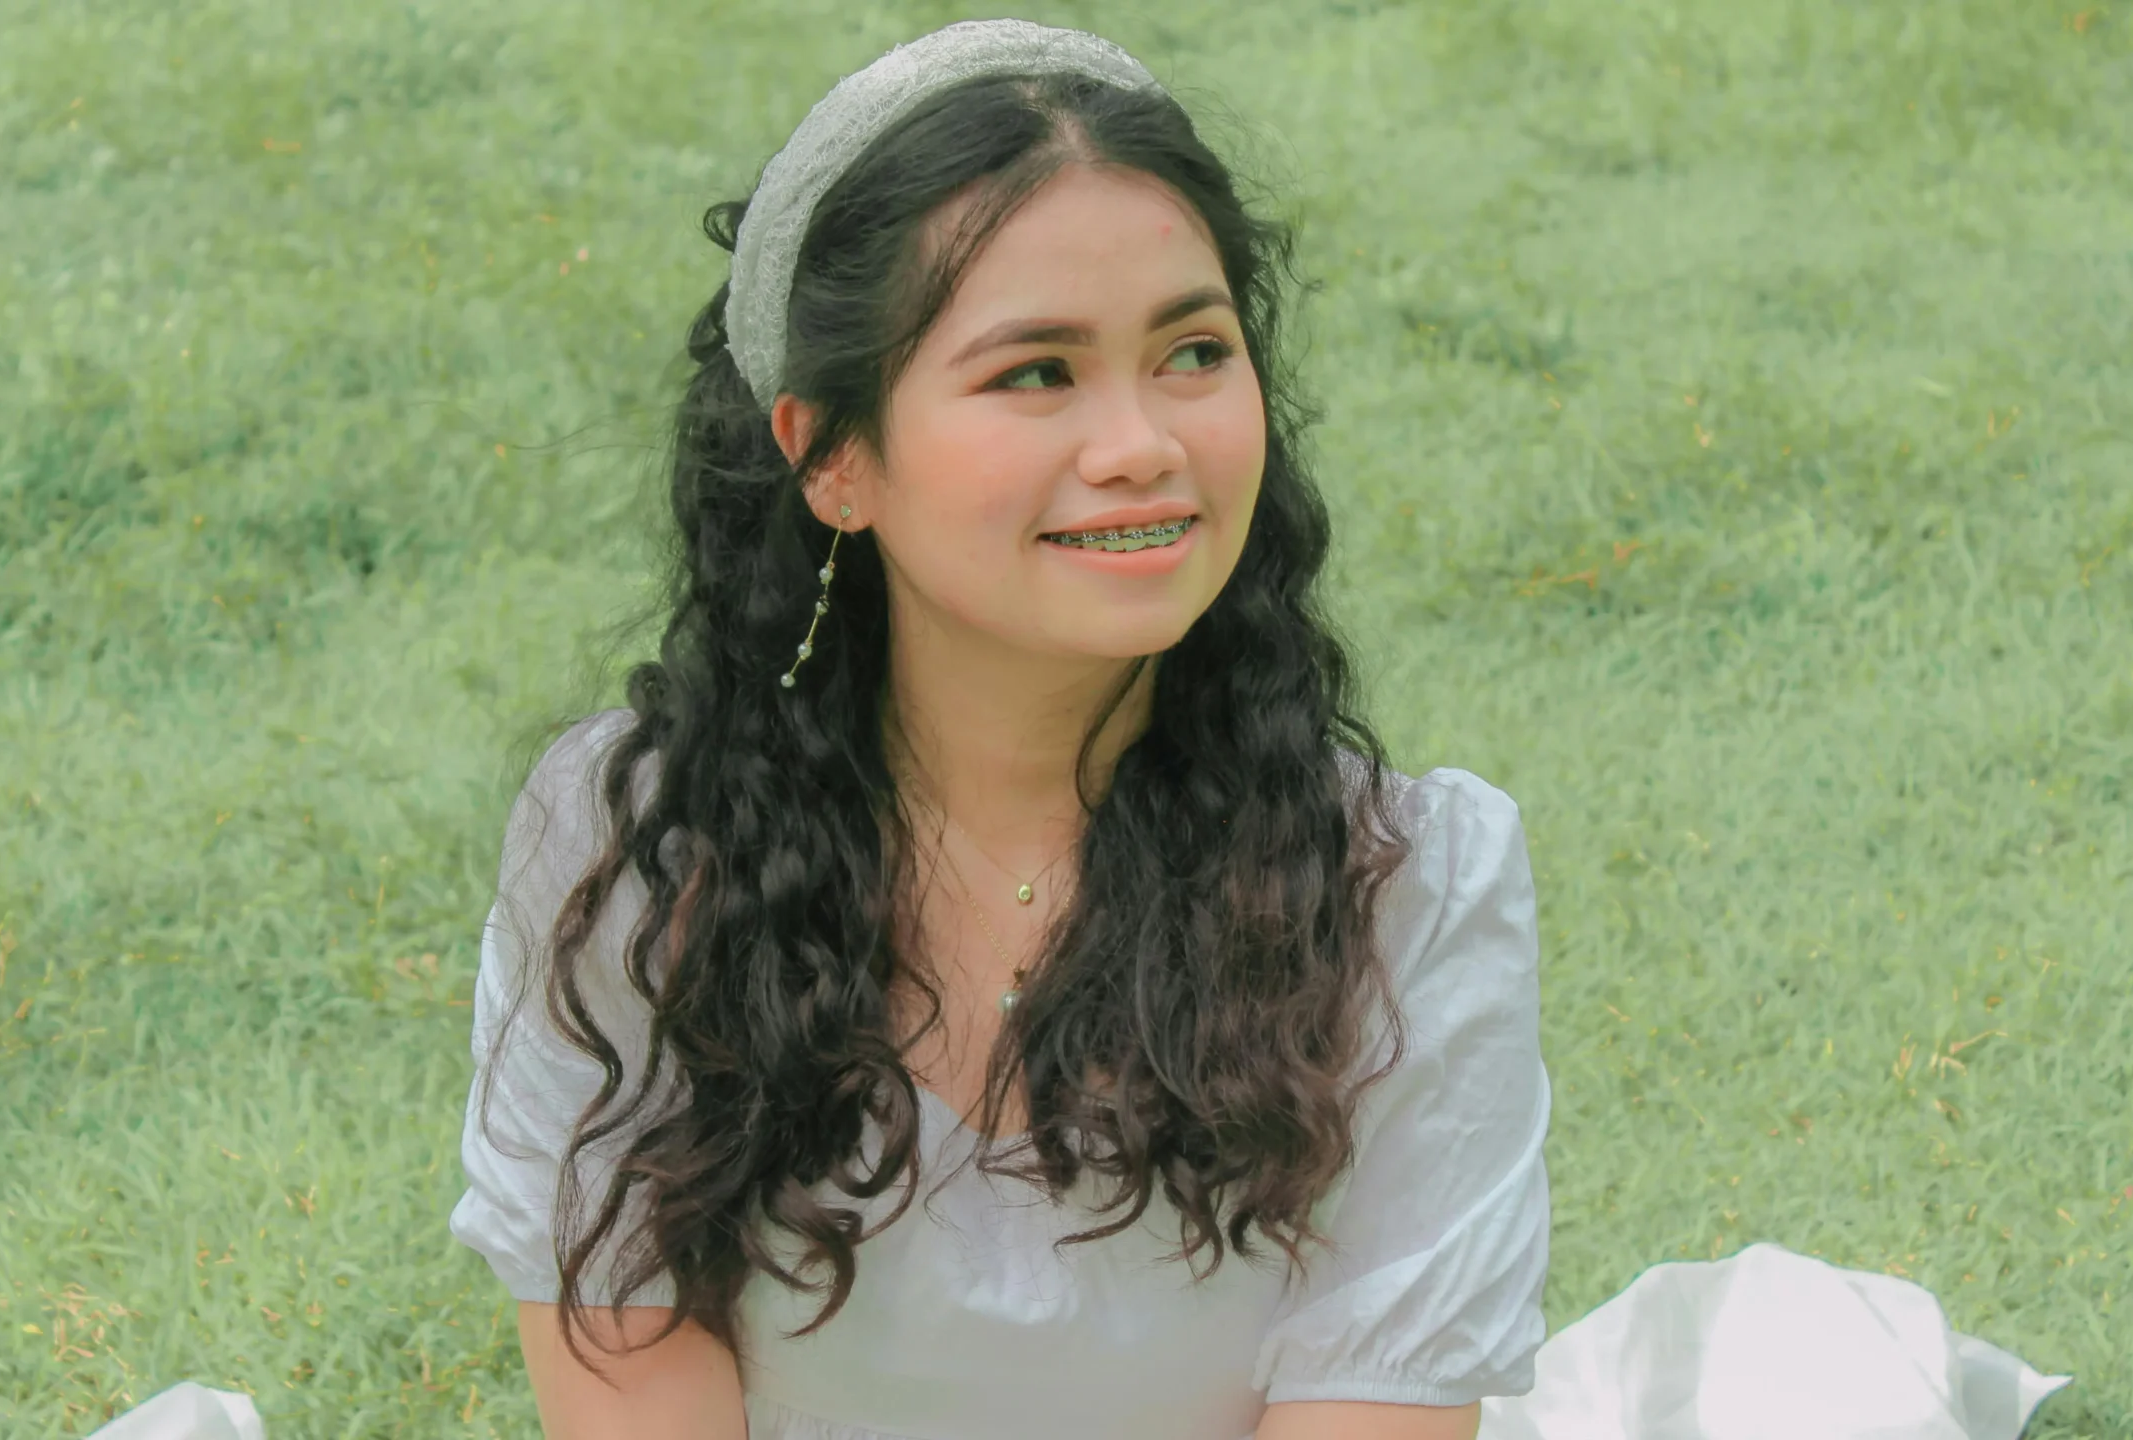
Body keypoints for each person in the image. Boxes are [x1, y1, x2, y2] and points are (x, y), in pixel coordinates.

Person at [450, 20, 1551, 1440]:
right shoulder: (636, 846)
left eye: (1194, 352)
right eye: (1037, 372)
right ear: (831, 455)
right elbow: (631, 1352)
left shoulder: (1413, 882)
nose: (1141, 443)